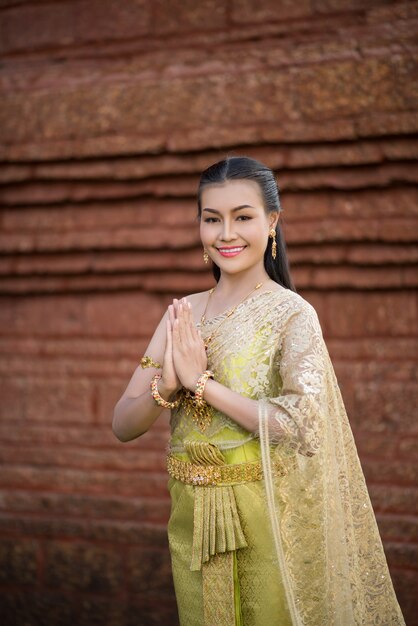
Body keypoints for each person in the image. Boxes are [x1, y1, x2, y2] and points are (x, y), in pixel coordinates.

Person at [112, 156, 405, 626]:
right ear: (200, 227)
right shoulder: (182, 314)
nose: (226, 233)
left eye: (242, 217)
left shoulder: (291, 315)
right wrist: (166, 383)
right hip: (190, 517)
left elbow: (299, 425)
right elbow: (122, 424)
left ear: (272, 222)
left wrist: (201, 385)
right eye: (212, 219)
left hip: (263, 519)